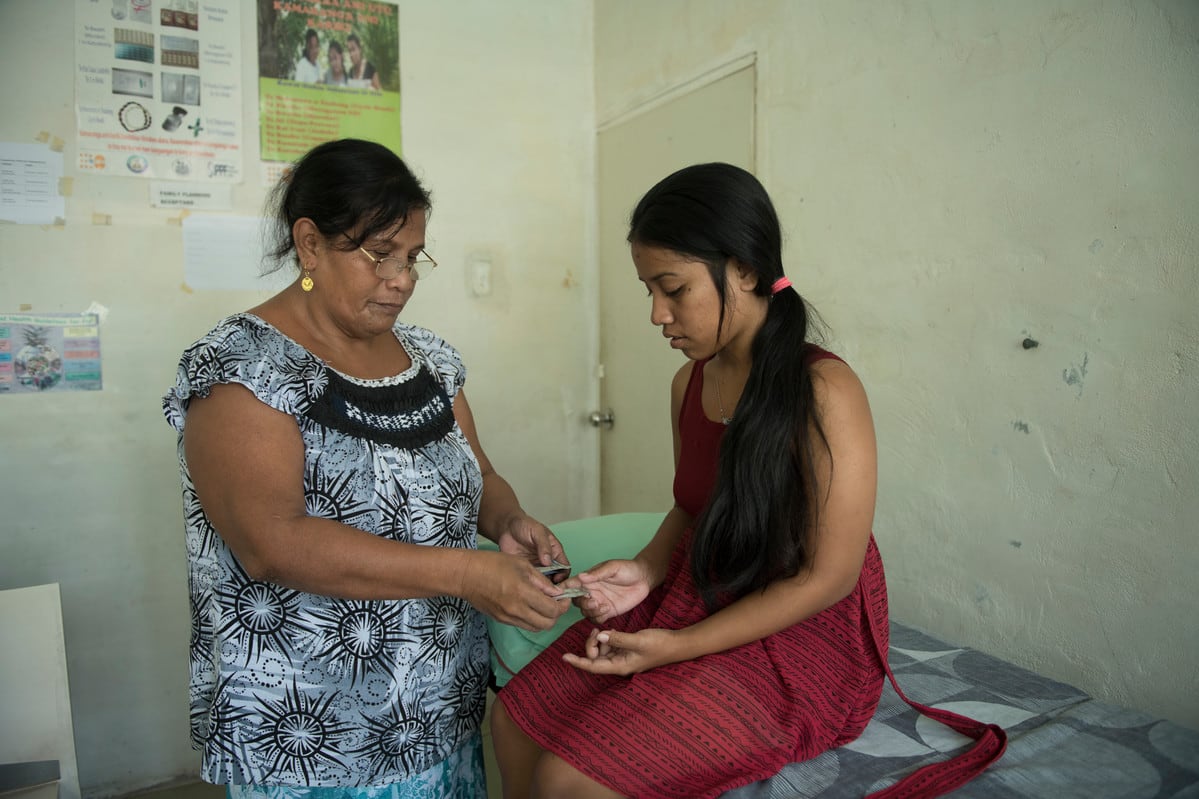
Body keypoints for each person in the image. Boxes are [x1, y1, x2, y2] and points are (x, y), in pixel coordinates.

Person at [162, 138, 572, 796]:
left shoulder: (431, 361)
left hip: (433, 709)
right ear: (311, 244)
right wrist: (467, 570)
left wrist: (507, 520)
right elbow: (273, 540)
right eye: (378, 254)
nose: (402, 278)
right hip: (308, 728)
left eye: (412, 257)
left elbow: (479, 473)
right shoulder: (242, 368)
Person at [491, 163, 890, 798]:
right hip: (706, 590)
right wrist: (646, 571)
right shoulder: (690, 383)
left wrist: (679, 647)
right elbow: (692, 507)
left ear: (746, 270)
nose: (657, 314)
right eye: (649, 289)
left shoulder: (824, 391)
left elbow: (829, 577)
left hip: (801, 633)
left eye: (673, 288)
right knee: (513, 722)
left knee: (570, 781)